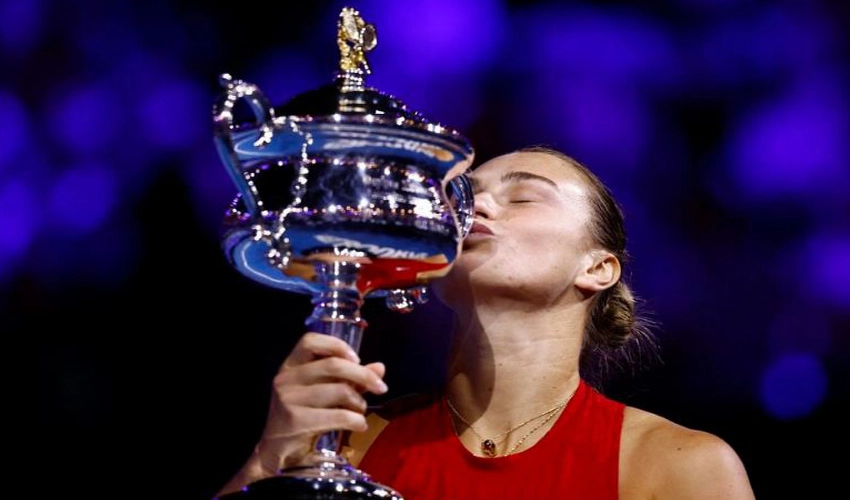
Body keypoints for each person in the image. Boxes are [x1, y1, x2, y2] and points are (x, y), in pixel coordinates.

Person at [215, 146, 756, 499]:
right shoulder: (348, 447)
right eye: (463, 199)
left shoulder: (680, 468)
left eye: (522, 196)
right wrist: (267, 464)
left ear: (597, 268)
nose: (476, 211)